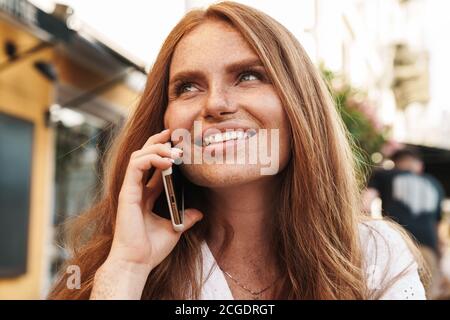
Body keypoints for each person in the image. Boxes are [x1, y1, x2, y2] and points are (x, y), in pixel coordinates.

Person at [49, 1, 426, 300]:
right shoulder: (117, 263)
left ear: (301, 106)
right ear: (164, 125)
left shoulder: (376, 257)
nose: (215, 104)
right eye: (188, 87)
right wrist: (128, 268)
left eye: (248, 76)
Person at [365, 148, 445, 297]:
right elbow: (437, 227)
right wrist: (439, 254)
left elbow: (365, 205)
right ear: (419, 165)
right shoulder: (435, 184)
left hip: (396, 245)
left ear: (395, 163)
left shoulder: (384, 175)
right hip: (428, 248)